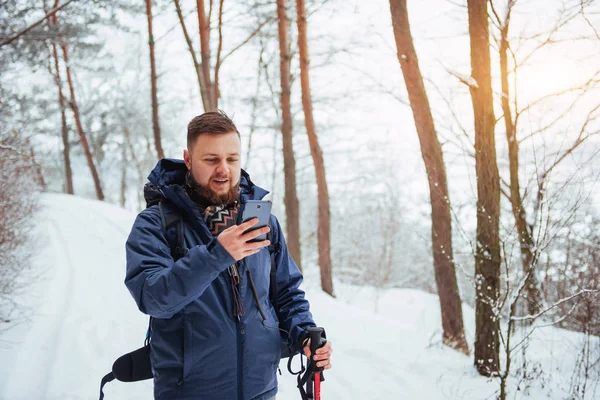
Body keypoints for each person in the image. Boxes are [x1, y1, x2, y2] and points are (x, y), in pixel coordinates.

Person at [124, 110, 332, 400]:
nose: (223, 169)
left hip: (260, 390)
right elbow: (153, 297)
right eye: (211, 160)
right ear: (188, 159)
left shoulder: (262, 223)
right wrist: (216, 256)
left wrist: (305, 333)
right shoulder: (156, 223)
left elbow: (286, 293)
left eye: (232, 159)